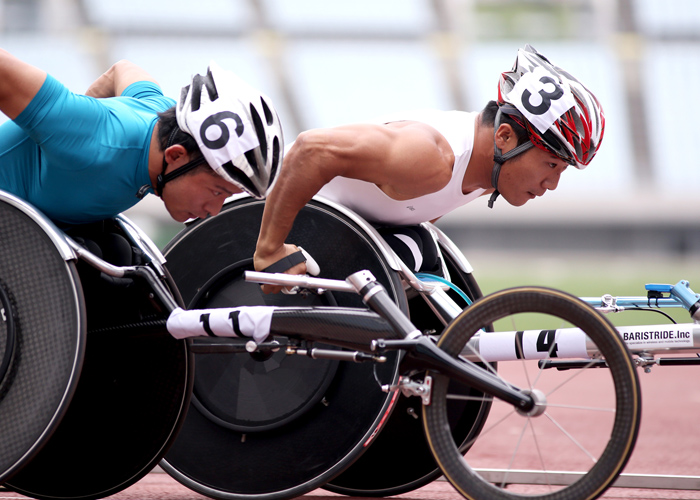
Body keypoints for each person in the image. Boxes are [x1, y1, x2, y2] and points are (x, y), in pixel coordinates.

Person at [253, 45, 605, 293]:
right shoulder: (431, 158)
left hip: (327, 230)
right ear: (504, 136)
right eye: (551, 164)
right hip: (261, 228)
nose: (553, 184)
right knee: (414, 253)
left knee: (418, 250)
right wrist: (269, 250)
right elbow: (309, 150)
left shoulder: (486, 174)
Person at [0, 49, 283, 227]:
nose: (213, 210)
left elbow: (121, 69)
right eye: (217, 191)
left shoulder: (158, 111)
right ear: (175, 156)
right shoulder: (94, 138)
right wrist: (68, 129)